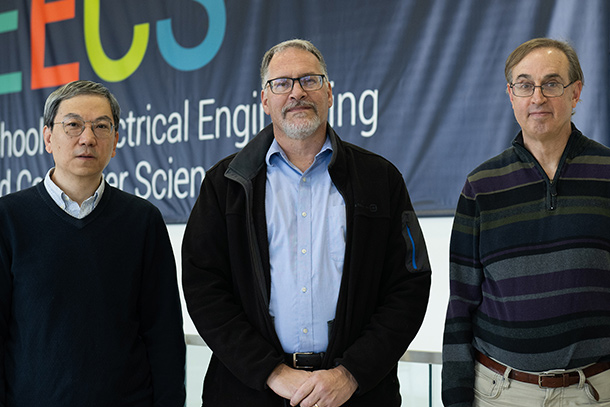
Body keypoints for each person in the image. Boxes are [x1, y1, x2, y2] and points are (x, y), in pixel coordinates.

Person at [182, 39, 432, 407]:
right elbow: (204, 288)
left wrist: (351, 374)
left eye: (310, 80)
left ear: (329, 93)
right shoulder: (226, 184)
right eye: (282, 83)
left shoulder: (380, 179)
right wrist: (271, 372)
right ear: (265, 100)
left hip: (356, 394)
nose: (297, 92)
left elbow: (408, 286)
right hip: (248, 392)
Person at [442, 38, 610, 406]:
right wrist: (455, 398)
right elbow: (460, 304)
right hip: (501, 393)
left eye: (551, 84)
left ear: (575, 92)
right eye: (525, 85)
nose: (537, 97)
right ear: (511, 95)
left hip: (596, 391)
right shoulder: (480, 186)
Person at [0, 80, 186, 407]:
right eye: (73, 125)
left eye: (101, 126)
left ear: (115, 142)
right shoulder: (8, 218)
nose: (87, 138)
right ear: (47, 137)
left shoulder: (143, 221)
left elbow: (164, 336)